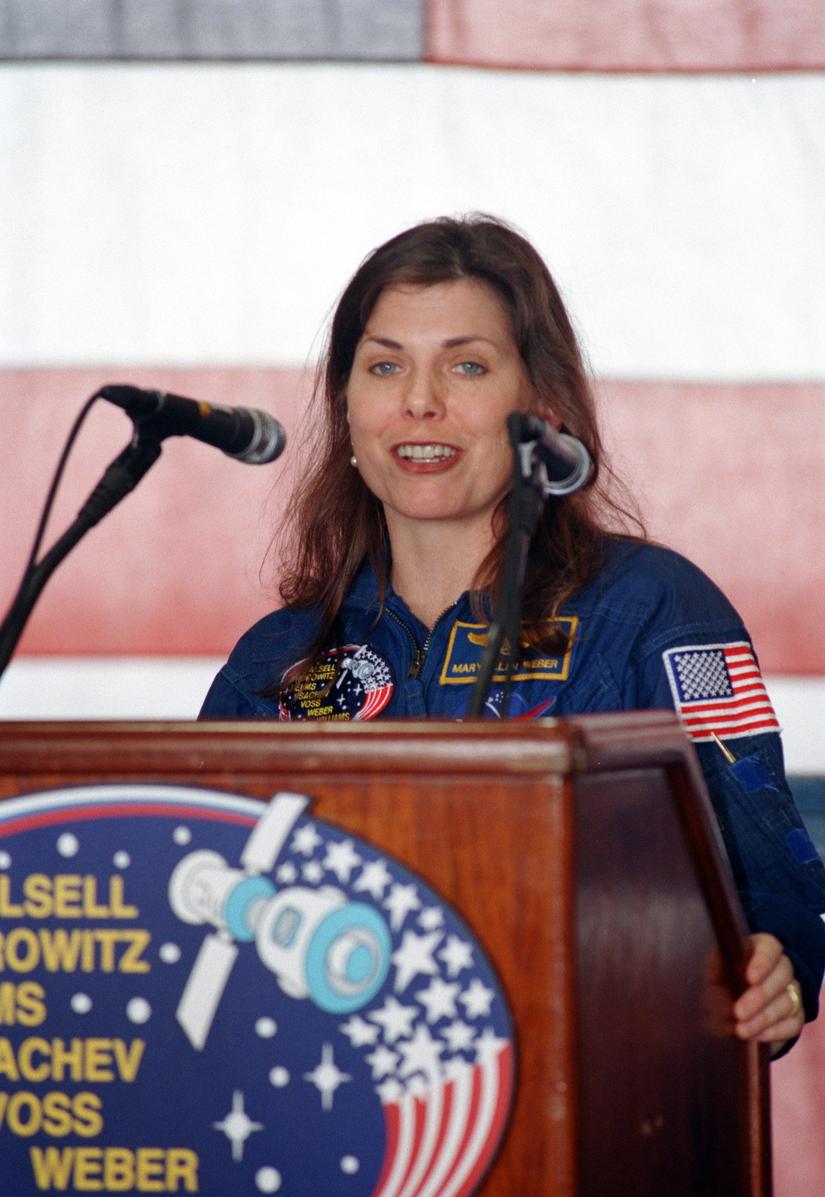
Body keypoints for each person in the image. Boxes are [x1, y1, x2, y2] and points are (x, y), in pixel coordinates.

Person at [201, 213, 825, 1054]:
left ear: (541, 405)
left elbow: (769, 889)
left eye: (466, 365)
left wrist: (773, 969)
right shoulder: (274, 661)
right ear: (345, 407)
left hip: (589, 1094)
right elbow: (200, 911)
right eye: (385, 366)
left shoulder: (652, 611)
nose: (420, 401)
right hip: (330, 1125)